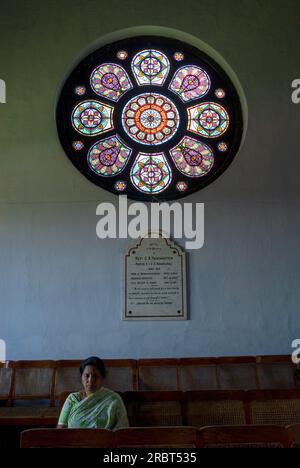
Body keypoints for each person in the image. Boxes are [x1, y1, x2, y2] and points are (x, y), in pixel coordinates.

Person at [57, 356, 129, 429]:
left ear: (102, 378)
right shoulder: (72, 399)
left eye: (95, 376)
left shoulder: (113, 399)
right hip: (74, 440)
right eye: (87, 376)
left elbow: (123, 431)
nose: (90, 380)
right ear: (81, 378)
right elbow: (60, 430)